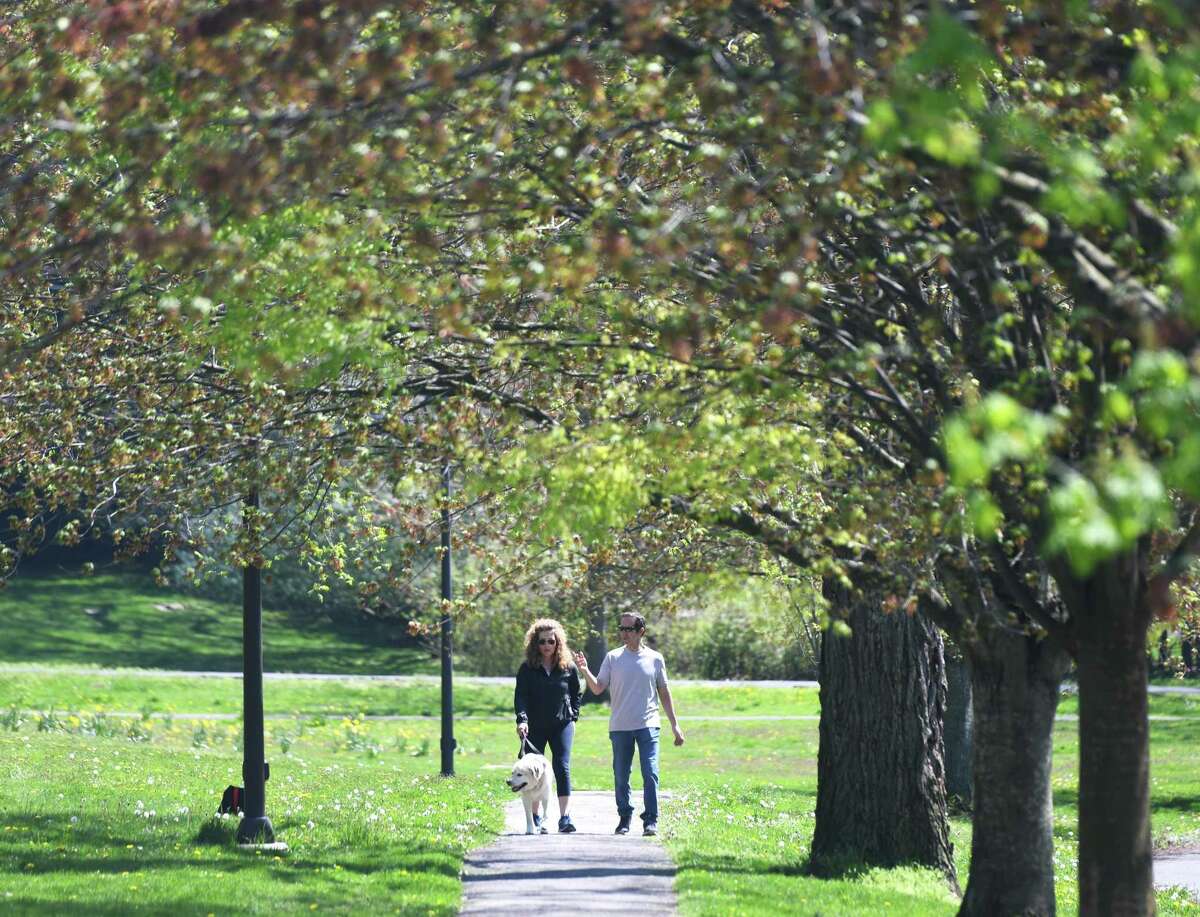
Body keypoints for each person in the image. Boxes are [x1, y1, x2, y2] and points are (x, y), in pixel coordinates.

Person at [574, 612, 684, 837]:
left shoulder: (655, 658)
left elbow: (664, 691)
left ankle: (651, 820)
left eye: (628, 629)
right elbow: (597, 688)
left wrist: (675, 725)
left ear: (641, 631)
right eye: (621, 629)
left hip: (649, 724)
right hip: (620, 726)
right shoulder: (613, 657)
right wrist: (584, 670)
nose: (624, 633)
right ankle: (624, 817)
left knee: (650, 772)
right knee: (621, 774)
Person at [514, 618, 582, 833]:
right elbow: (521, 697)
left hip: (562, 725)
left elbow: (576, 693)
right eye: (542, 642)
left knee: (561, 766)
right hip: (535, 725)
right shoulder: (527, 669)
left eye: (551, 642)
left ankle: (565, 818)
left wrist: (573, 715)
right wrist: (522, 720)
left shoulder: (568, 667)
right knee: (534, 770)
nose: (546, 646)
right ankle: (535, 817)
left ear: (558, 643)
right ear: (535, 643)